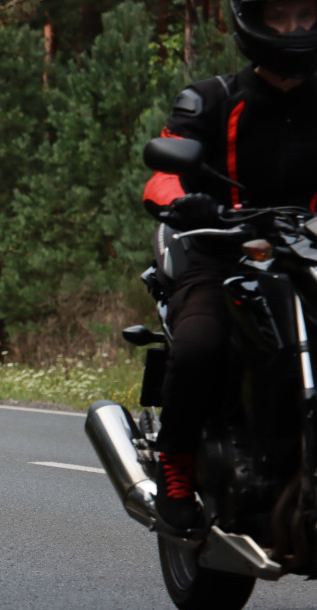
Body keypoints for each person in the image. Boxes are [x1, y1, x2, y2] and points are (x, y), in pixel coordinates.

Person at [142, 0, 317, 529]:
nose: (295, 29)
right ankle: (175, 469)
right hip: (221, 248)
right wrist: (182, 203)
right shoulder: (210, 98)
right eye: (280, 17)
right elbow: (161, 174)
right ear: (251, 22)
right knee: (200, 346)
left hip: (307, 251)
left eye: (307, 15)